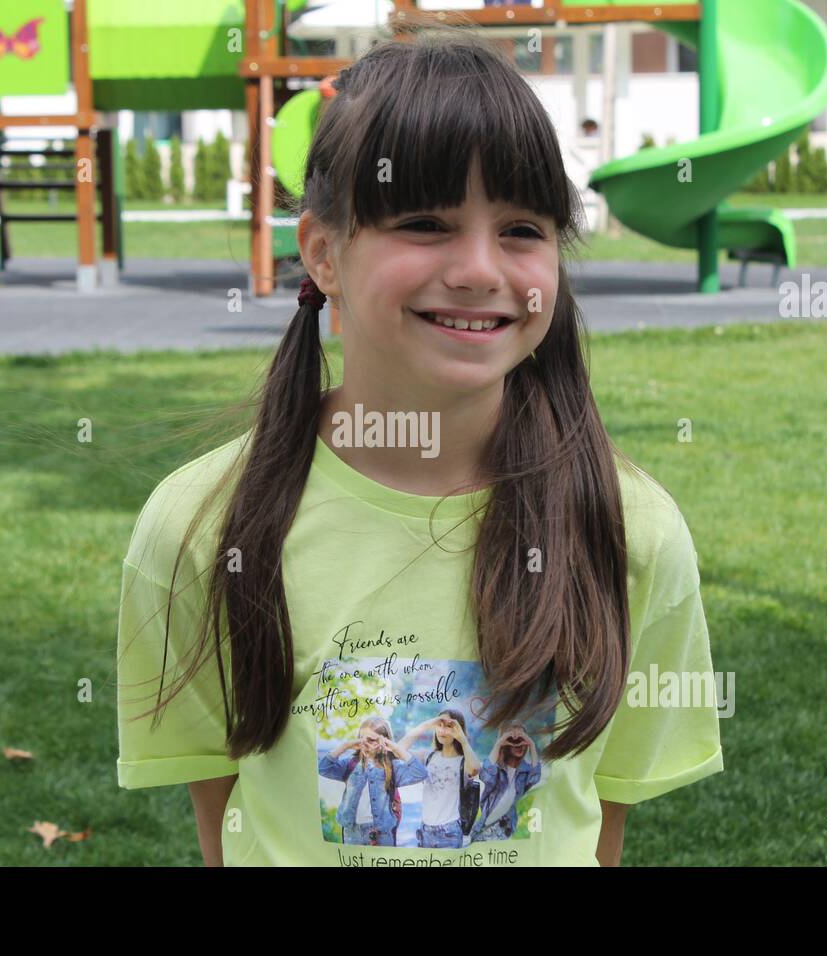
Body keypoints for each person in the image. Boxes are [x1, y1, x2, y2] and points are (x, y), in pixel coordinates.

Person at [115, 23, 723, 867]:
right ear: (323, 251)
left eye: (521, 228)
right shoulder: (200, 528)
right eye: (427, 222)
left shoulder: (630, 529)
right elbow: (223, 820)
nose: (481, 268)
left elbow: (601, 825)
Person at [318, 717, 428, 846]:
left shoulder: (392, 767)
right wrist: (345, 745)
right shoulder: (350, 764)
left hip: (381, 835)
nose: (365, 744)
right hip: (352, 832)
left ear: (384, 741)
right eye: (361, 738)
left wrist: (395, 748)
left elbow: (420, 773)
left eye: (371, 740)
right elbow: (323, 768)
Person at [398, 710, 482, 848]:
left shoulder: (463, 761)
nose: (442, 730)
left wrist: (462, 739)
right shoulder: (428, 756)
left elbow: (474, 769)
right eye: (439, 725)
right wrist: (427, 724)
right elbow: (398, 749)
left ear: (458, 729)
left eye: (449, 726)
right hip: (425, 831)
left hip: (449, 832)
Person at [470, 724, 542, 842]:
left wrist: (532, 744)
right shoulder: (497, 769)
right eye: (513, 740)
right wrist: (499, 744)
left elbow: (535, 777)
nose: (518, 744)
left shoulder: (524, 771)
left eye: (522, 739)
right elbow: (485, 775)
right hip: (483, 828)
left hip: (504, 828)